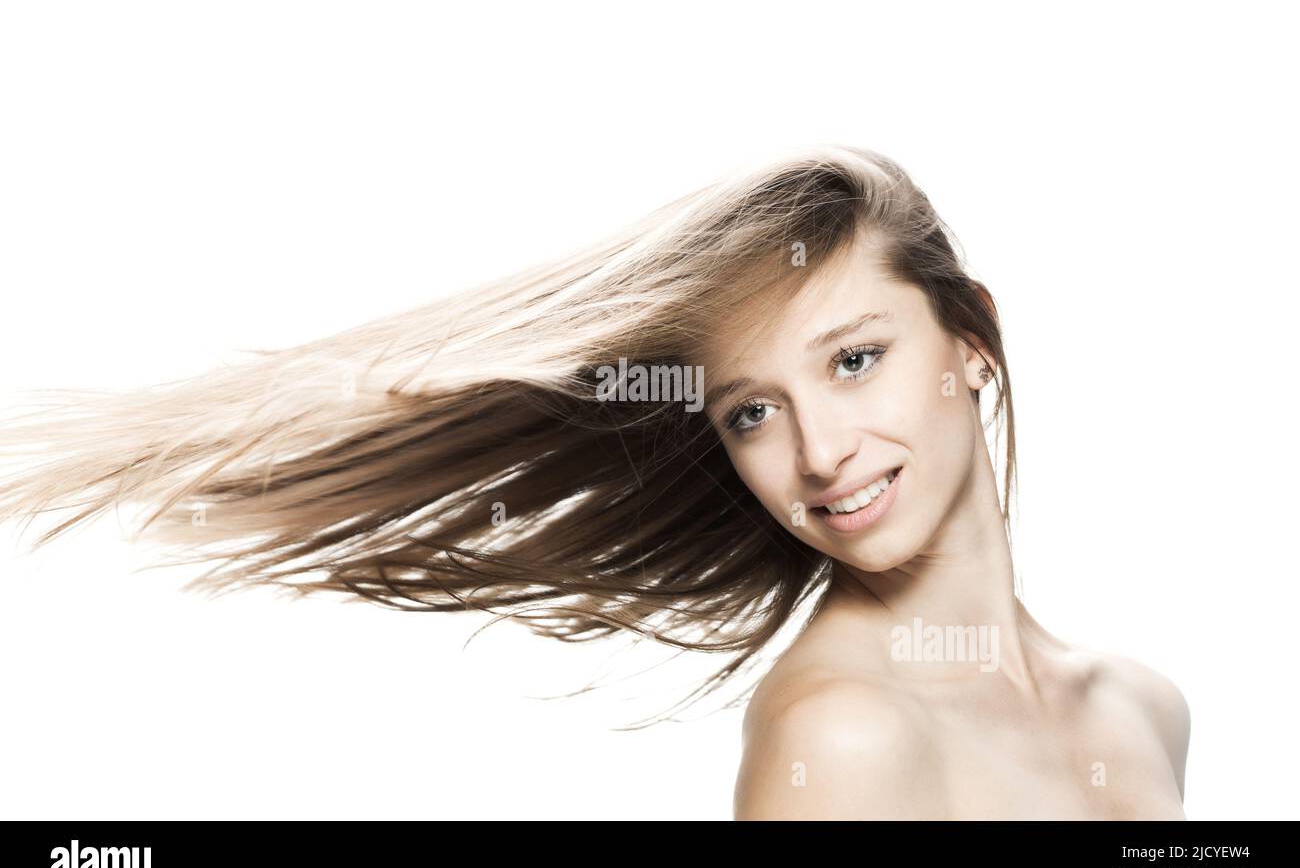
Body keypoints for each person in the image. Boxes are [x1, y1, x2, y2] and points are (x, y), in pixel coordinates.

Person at [0, 143, 1189, 819]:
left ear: (971, 339)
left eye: (855, 360)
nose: (819, 453)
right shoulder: (846, 735)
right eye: (753, 411)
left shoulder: (1140, 708)